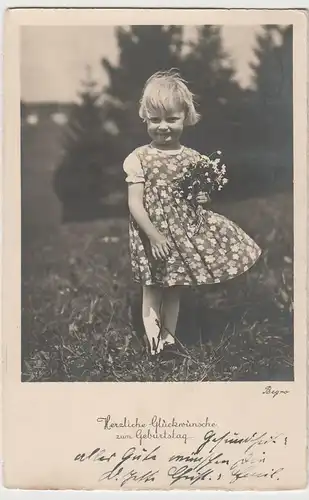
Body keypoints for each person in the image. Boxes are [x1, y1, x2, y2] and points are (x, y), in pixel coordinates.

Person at [123, 70, 262, 357]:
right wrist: (153, 235)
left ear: (185, 117)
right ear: (145, 118)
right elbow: (135, 203)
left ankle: (169, 341)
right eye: (155, 119)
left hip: (181, 234)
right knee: (152, 287)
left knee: (174, 286)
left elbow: (198, 199)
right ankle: (153, 348)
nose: (163, 127)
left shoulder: (193, 159)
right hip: (152, 234)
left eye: (172, 119)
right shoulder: (139, 158)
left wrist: (202, 197)